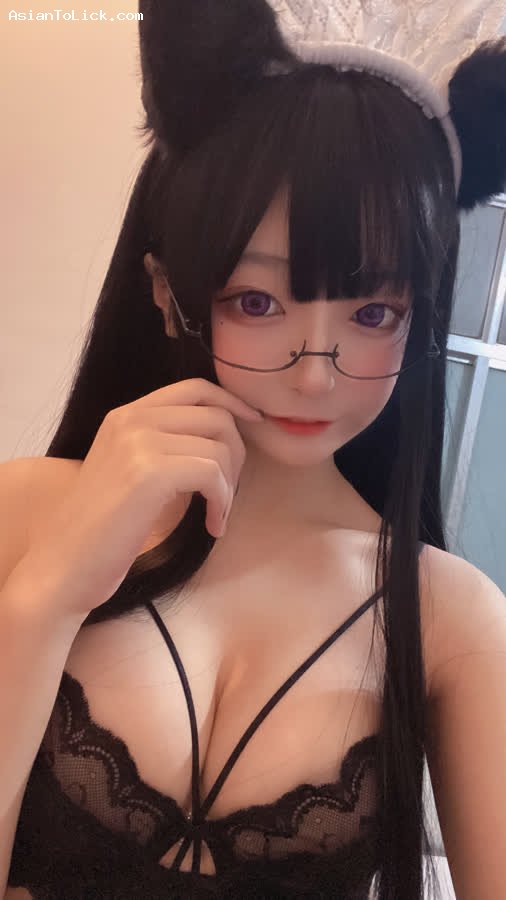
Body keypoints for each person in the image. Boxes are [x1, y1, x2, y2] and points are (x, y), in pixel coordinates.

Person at [3, 2, 506, 898]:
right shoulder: (28, 510)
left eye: (374, 311)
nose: (314, 376)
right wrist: (41, 603)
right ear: (167, 293)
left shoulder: (452, 618)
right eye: (259, 302)